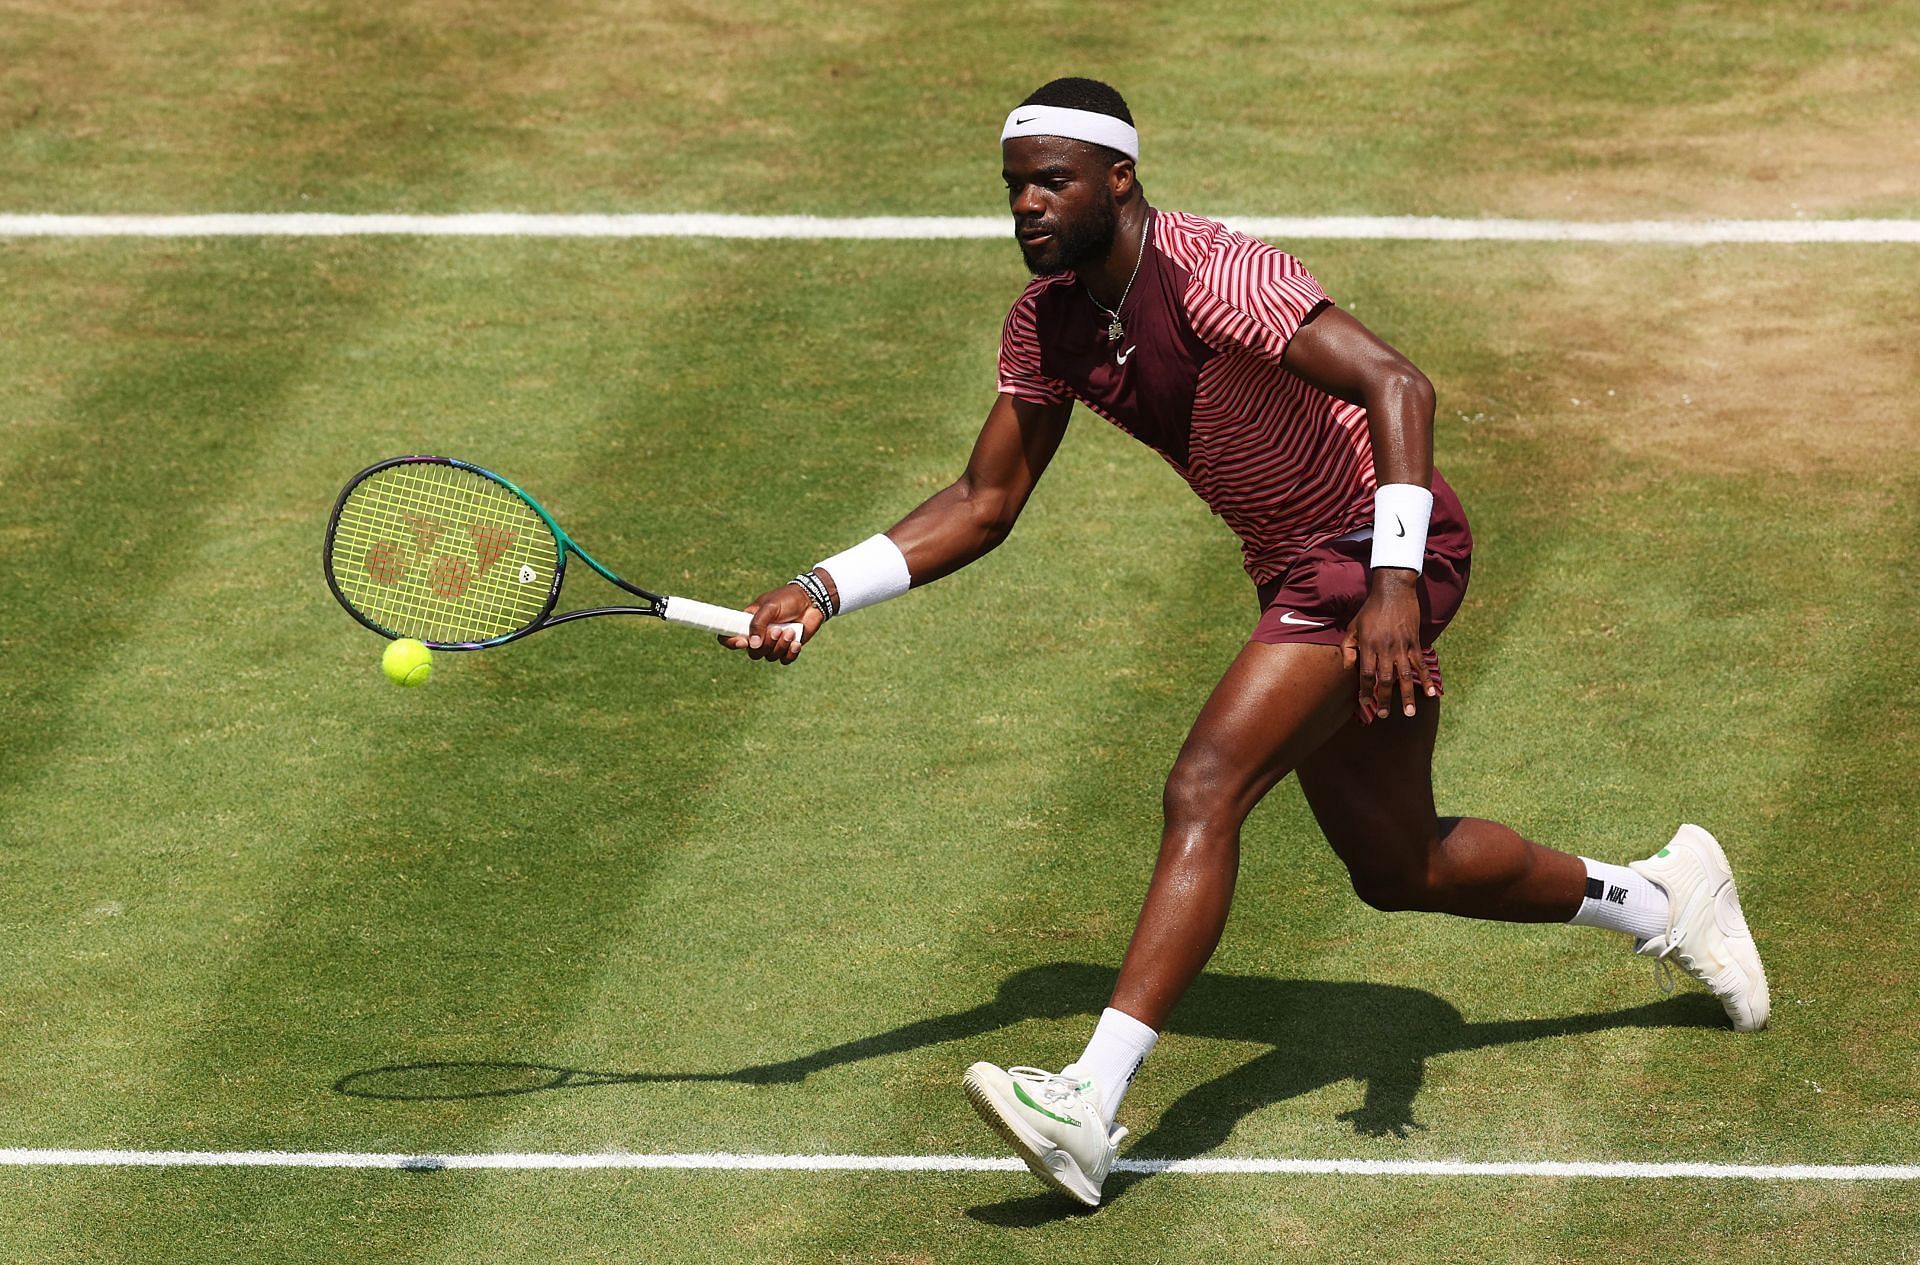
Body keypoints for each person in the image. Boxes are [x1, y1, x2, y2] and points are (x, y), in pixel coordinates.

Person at [725, 77, 1769, 1208]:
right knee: (1397, 862)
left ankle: (1086, 1097)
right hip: (1303, 567)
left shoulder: (1218, 270)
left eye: (1052, 182)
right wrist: (822, 587)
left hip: (1376, 550)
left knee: (1204, 786)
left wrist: (1393, 582)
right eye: (1014, 186)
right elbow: (984, 500)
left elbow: (1397, 383)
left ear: (1119, 179)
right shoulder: (1050, 322)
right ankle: (1667, 899)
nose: (1026, 205)